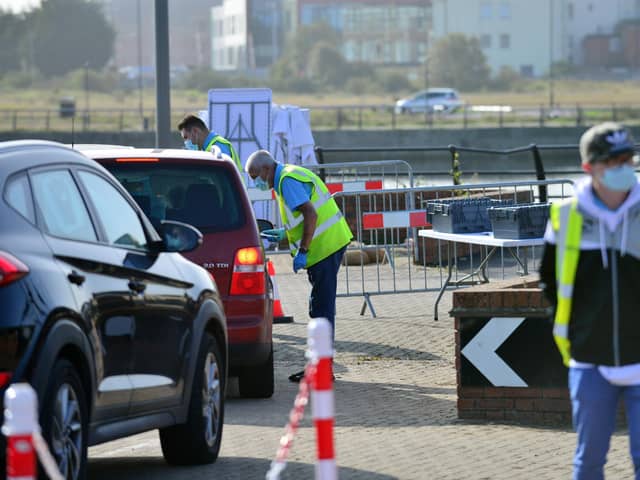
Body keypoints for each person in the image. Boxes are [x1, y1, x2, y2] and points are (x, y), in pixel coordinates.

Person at [539, 122, 640, 479]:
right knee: (589, 461)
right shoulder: (566, 217)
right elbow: (550, 282)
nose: (622, 168)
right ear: (588, 167)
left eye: (628, 159)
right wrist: (575, 334)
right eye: (612, 161)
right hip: (589, 360)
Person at [245, 149, 353, 383]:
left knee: (321, 310)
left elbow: (311, 215)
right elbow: (305, 216)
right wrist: (285, 233)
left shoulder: (286, 180)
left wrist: (302, 250)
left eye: (255, 176)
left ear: (266, 169)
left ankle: (322, 368)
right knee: (321, 308)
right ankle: (320, 366)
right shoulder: (290, 174)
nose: (256, 182)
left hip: (324, 247)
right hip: (328, 244)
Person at [177, 113, 242, 173]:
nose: (186, 142)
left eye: (186, 137)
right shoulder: (207, 149)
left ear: (195, 131)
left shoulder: (218, 148)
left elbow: (221, 177)